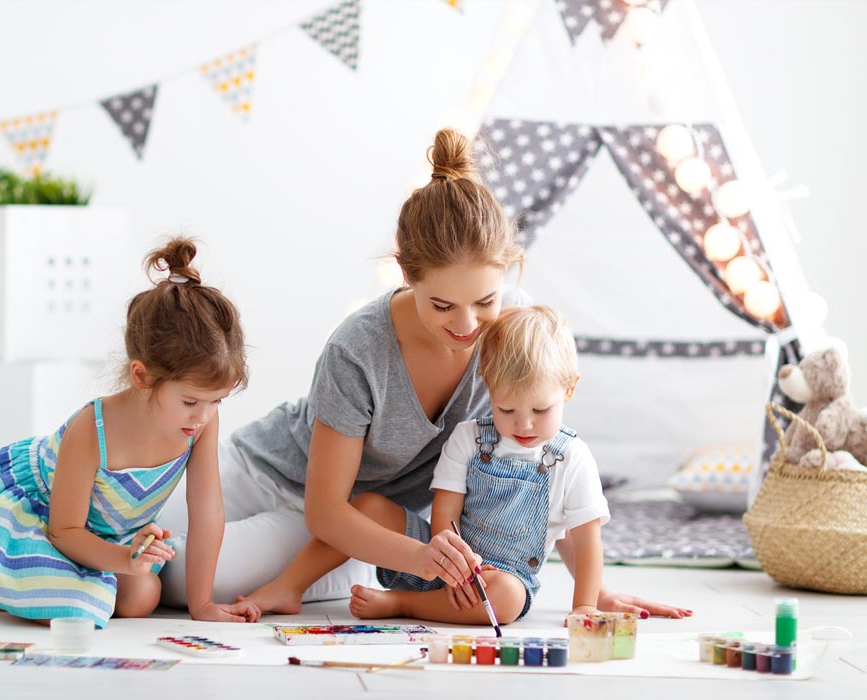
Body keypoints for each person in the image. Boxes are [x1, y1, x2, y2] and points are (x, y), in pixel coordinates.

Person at [160, 128, 690, 622]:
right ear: (406, 275)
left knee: (180, 579)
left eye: (484, 300)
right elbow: (327, 507)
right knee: (117, 531)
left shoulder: (513, 329)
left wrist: (591, 591)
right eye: (441, 305)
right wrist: (429, 560)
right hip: (267, 474)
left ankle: (326, 572)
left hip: (350, 527)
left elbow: (544, 471)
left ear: (507, 272)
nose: (465, 325)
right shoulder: (359, 347)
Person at [0, 237, 261, 628]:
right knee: (72, 607)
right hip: (44, 520)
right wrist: (123, 561)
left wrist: (202, 604)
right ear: (142, 376)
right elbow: (64, 531)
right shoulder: (93, 427)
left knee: (141, 598)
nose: (204, 416)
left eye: (216, 402)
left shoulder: (199, 424)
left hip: (105, 538)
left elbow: (207, 513)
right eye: (191, 402)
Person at [351, 305, 606, 623]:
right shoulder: (469, 438)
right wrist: (452, 566)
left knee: (509, 598)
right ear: (490, 389)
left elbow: (586, 540)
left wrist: (585, 604)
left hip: (498, 582)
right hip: (439, 558)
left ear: (569, 389)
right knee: (366, 507)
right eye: (507, 409)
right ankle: (293, 584)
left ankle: (402, 604)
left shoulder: (573, 458)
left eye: (540, 410)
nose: (523, 425)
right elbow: (445, 511)